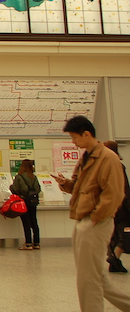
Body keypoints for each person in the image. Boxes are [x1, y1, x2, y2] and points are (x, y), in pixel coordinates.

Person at [54, 115, 130, 312]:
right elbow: (81, 188)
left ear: (86, 134)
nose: (73, 142)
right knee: (94, 275)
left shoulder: (108, 158)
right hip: (82, 219)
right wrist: (66, 185)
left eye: (74, 137)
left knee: (89, 278)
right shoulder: (86, 157)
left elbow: (114, 193)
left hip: (96, 221)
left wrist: (96, 217)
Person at [104, 140, 130, 272]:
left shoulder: (105, 167)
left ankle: (113, 259)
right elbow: (125, 189)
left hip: (110, 206)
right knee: (124, 234)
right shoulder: (119, 166)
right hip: (121, 207)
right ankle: (115, 257)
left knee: (114, 234)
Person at [10, 159, 41, 251]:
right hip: (33, 201)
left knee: (26, 222)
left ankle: (28, 243)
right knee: (34, 222)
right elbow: (38, 189)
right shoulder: (34, 177)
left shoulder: (19, 177)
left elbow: (15, 189)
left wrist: (11, 187)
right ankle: (36, 243)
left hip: (23, 202)